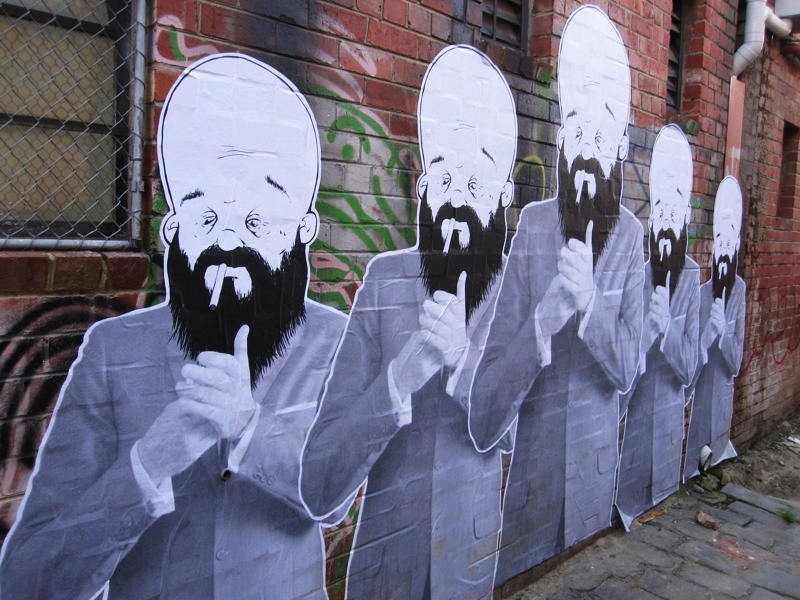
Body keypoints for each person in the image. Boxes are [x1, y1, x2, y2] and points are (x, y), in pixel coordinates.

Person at [0, 54, 346, 600]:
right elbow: (30, 576)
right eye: (206, 219)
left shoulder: (333, 342)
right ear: (173, 230)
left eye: (256, 222)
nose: (228, 245)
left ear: (302, 230)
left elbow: (333, 491)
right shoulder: (114, 352)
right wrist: (145, 463)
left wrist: (249, 425)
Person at [300, 45, 517, 599]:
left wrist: (462, 361)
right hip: (383, 564)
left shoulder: (521, 289)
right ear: (421, 191)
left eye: (475, 186)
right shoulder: (386, 280)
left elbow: (524, 429)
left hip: (468, 557)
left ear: (503, 200)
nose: (456, 203)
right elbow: (320, 481)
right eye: (443, 181)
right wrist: (397, 379)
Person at [469, 5, 644, 583]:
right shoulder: (536, 228)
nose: (587, 146)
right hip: (528, 498)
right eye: (576, 126)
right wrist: (542, 322)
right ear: (562, 133)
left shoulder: (634, 238)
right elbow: (488, 399)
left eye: (602, 131)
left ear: (621, 142)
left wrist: (591, 305)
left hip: (597, 484)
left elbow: (630, 368)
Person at [615, 125, 700, 529]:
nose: (665, 222)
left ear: (686, 218)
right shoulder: (640, 273)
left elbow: (691, 372)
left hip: (667, 433)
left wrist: (667, 333)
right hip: (633, 439)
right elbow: (621, 372)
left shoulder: (694, 279)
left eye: (674, 211)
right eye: (659, 209)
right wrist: (648, 333)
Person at [684, 176, 746, 479]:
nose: (722, 250)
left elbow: (736, 362)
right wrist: (707, 336)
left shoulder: (740, 292)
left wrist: (722, 336)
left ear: (736, 247)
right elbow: (689, 363)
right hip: (697, 411)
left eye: (728, 243)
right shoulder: (702, 293)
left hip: (721, 407)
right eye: (718, 241)